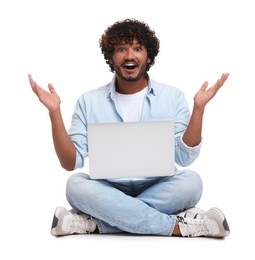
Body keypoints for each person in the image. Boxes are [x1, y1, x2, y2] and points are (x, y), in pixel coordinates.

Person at [29, 18, 230, 238]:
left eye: (137, 48)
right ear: (111, 57)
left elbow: (184, 158)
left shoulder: (173, 97)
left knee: (192, 182)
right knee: (75, 185)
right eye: (121, 49)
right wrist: (54, 112)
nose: (129, 55)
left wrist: (199, 109)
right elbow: (70, 162)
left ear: (148, 56)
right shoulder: (89, 101)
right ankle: (179, 227)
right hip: (107, 188)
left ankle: (96, 222)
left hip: (159, 186)